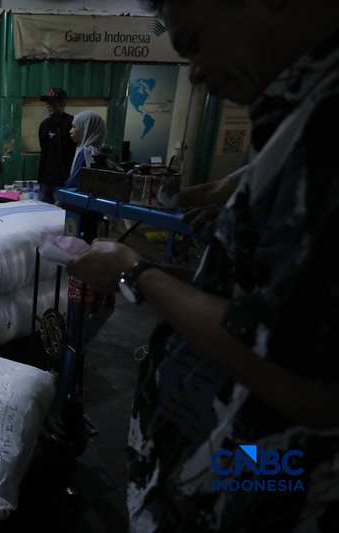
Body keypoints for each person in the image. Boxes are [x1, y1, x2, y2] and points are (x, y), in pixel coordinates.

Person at [68, 0, 339, 530]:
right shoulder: (299, 108)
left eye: (191, 42)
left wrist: (134, 271)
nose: (193, 69)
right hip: (225, 462)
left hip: (267, 474)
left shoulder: (328, 121)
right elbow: (273, 299)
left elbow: (307, 381)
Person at [36, 87, 75, 204]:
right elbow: (43, 150)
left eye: (53, 101)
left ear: (63, 103)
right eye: (47, 102)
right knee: (43, 214)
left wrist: (69, 180)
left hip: (63, 181)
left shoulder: (72, 123)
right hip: (45, 180)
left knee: (60, 215)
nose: (48, 105)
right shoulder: (44, 125)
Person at [64, 111, 106, 189]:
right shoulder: (98, 150)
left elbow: (73, 182)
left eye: (74, 127)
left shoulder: (86, 153)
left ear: (86, 128)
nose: (70, 131)